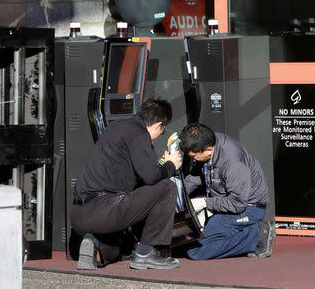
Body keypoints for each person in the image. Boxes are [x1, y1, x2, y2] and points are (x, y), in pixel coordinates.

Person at [71, 97, 182, 270]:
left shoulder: (117, 127)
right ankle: (146, 252)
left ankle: (94, 244)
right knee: (168, 188)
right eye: (162, 131)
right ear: (158, 125)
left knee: (117, 250)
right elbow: (151, 178)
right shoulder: (140, 133)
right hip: (105, 209)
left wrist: (160, 164)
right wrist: (171, 165)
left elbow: (135, 178)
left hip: (79, 215)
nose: (160, 135)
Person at [179, 123, 276, 260]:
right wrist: (176, 195)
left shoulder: (232, 161)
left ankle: (258, 233)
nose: (192, 159)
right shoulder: (208, 145)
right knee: (188, 240)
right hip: (223, 204)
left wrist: (205, 203)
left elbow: (237, 204)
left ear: (208, 150)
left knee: (196, 251)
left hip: (249, 208)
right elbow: (195, 179)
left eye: (193, 156)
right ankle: (231, 231)